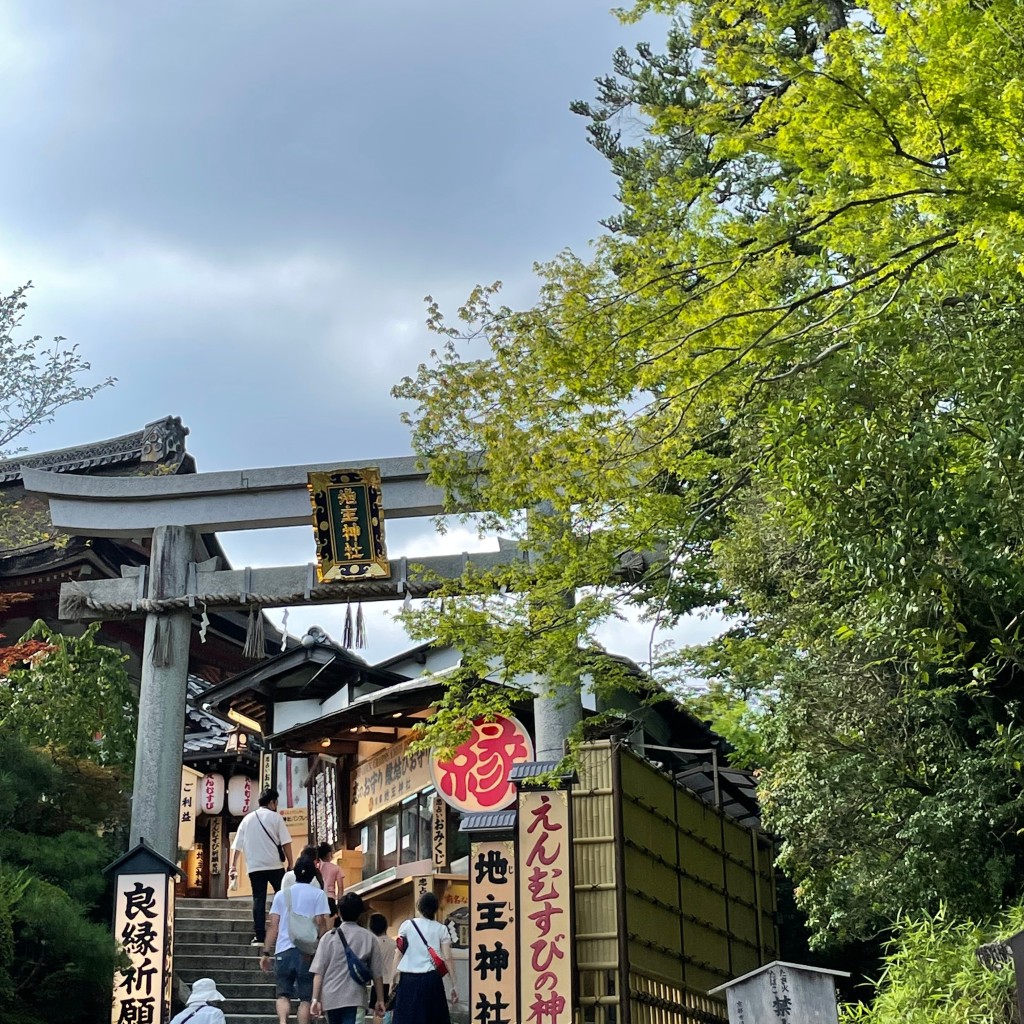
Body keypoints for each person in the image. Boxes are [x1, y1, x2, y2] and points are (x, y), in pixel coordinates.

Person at [259, 858, 332, 1024]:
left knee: (283, 994)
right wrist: (322, 947)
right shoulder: (319, 895)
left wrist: (266, 952)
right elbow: (322, 923)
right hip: (307, 952)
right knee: (306, 998)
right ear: (313, 875)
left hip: (283, 950)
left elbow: (273, 926)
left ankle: (283, 1021)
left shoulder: (281, 895)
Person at [229, 786, 294, 947]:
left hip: (254, 867)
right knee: (284, 897)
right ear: (272, 802)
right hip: (274, 865)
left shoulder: (247, 819)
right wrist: (291, 863)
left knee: (259, 899)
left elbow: (237, 845)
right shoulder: (276, 818)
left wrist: (233, 866)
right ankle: (286, 930)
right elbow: (285, 842)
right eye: (276, 802)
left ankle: (259, 936)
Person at [310, 891, 386, 1024]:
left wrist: (315, 999)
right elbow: (377, 973)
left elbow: (319, 972)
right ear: (360, 913)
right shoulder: (369, 938)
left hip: (330, 998)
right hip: (354, 998)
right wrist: (380, 999)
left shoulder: (328, 938)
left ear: (339, 913)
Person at [392, 892, 458, 1024]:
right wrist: (454, 985)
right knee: (432, 1019)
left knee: (407, 1019)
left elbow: (398, 954)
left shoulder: (407, 926)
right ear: (435, 909)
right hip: (432, 980)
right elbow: (447, 958)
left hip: (408, 980)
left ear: (419, 907)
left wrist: (393, 980)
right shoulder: (441, 929)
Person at [369, 912, 397, 1002]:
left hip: (377, 984)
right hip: (392, 983)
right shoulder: (394, 944)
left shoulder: (372, 944)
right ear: (386, 926)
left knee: (377, 1014)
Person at [317, 842, 344, 919]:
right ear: (329, 854)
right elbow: (340, 887)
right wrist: (339, 903)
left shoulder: (317, 868)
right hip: (330, 899)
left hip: (318, 899)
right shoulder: (336, 868)